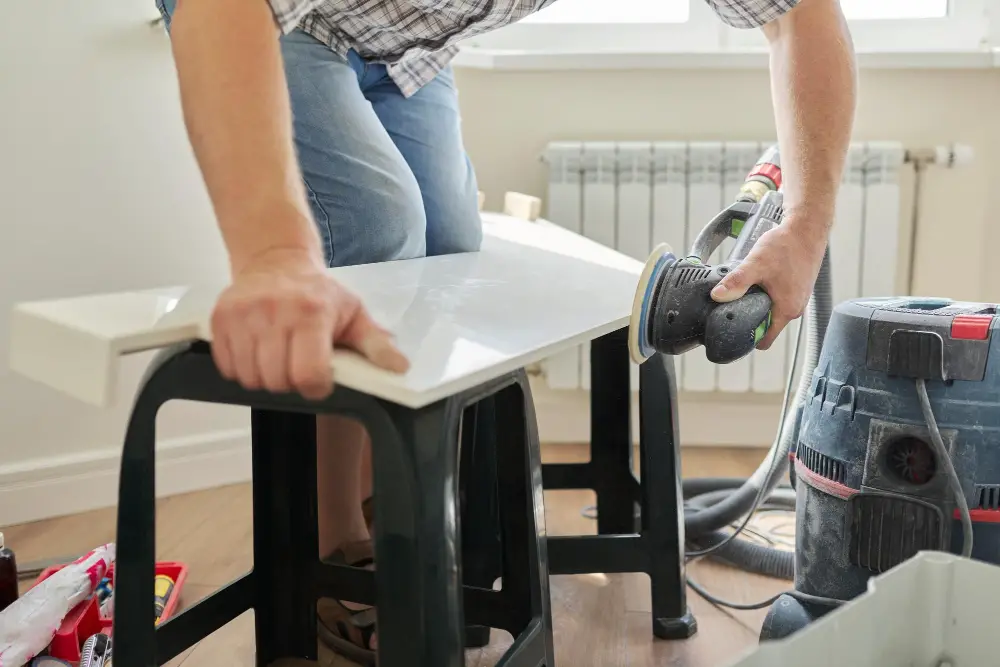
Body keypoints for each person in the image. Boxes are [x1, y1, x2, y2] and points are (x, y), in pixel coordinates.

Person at [154, 0, 856, 661]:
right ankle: (334, 536)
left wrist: (803, 228)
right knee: (377, 223)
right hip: (276, 17)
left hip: (404, 45)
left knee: (454, 247)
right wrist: (273, 254)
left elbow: (799, 15)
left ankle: (394, 508)